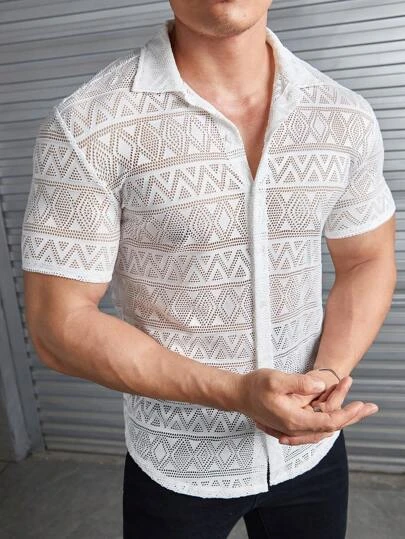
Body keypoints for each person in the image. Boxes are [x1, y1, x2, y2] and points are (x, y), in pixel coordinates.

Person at [21, 1, 397, 538]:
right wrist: (237, 393)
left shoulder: (343, 115)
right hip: (176, 460)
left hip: (312, 454)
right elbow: (58, 326)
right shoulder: (88, 124)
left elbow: (366, 258)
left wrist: (328, 376)